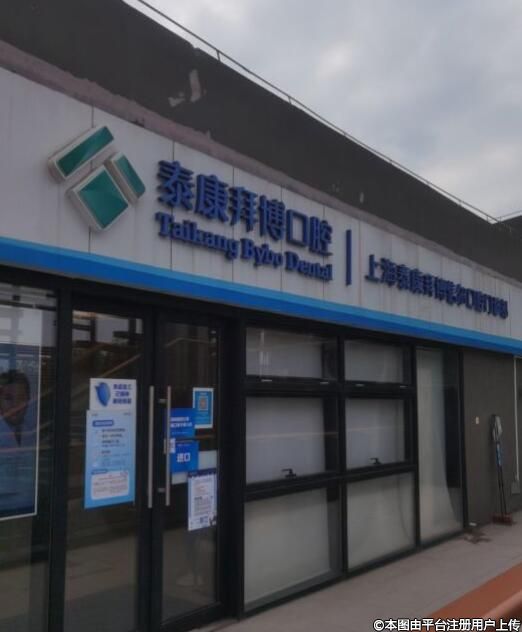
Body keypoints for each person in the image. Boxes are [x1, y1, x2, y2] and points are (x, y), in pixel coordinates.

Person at [0, 370, 36, 518]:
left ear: (28, 400)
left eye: (21, 398)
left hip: (28, 508)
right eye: (8, 398)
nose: (15, 405)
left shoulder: (30, 432)